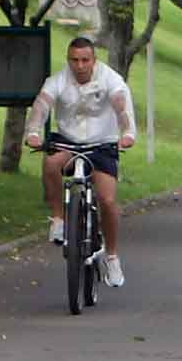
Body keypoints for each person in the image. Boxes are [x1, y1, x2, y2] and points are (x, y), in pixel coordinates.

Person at [25, 37, 137, 287]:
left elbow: (121, 106)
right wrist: (32, 131)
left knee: (107, 200)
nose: (80, 65)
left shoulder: (110, 79)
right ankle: (58, 219)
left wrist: (127, 133)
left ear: (94, 60)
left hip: (102, 143)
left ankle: (112, 256)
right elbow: (42, 105)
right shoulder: (58, 80)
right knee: (51, 163)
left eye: (85, 60)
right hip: (68, 141)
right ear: (69, 60)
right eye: (74, 60)